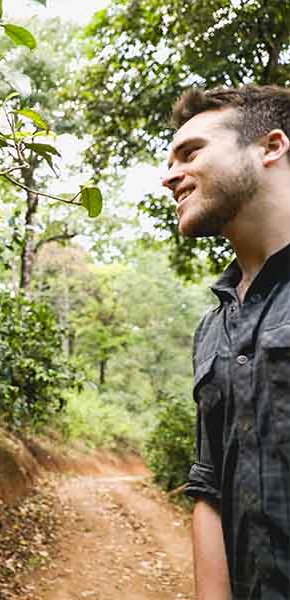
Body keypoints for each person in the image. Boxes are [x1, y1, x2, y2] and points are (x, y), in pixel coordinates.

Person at [162, 85, 290, 599]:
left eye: (190, 153)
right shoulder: (213, 329)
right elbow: (209, 487)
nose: (169, 175)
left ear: (271, 146)